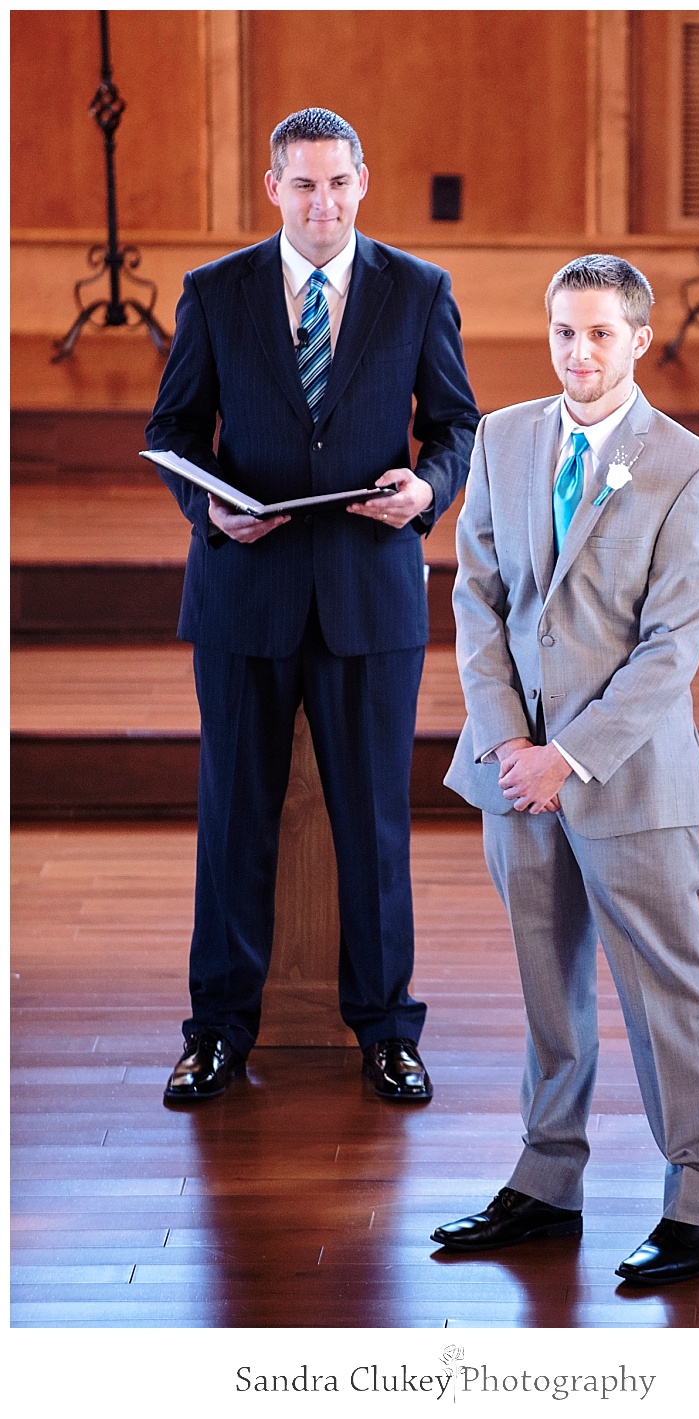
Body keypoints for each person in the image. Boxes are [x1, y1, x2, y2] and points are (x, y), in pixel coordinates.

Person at [146, 107, 479, 1106]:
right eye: (304, 185)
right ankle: (217, 1033)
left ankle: (386, 1030)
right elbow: (174, 427)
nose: (322, 202)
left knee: (374, 824)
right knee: (232, 819)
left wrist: (428, 491)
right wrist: (208, 506)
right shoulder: (215, 292)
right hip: (244, 593)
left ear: (363, 183)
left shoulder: (420, 291)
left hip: (369, 598)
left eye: (338, 183)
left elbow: (456, 424)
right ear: (273, 187)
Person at [433, 255, 699, 1284]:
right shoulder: (505, 438)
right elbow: (478, 598)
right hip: (514, 774)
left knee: (666, 995)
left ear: (641, 340)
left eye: (602, 333)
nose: (581, 353)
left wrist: (571, 755)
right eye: (565, 331)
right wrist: (511, 743)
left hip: (627, 780)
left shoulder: (689, 467)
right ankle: (545, 1180)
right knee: (545, 986)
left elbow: (673, 645)